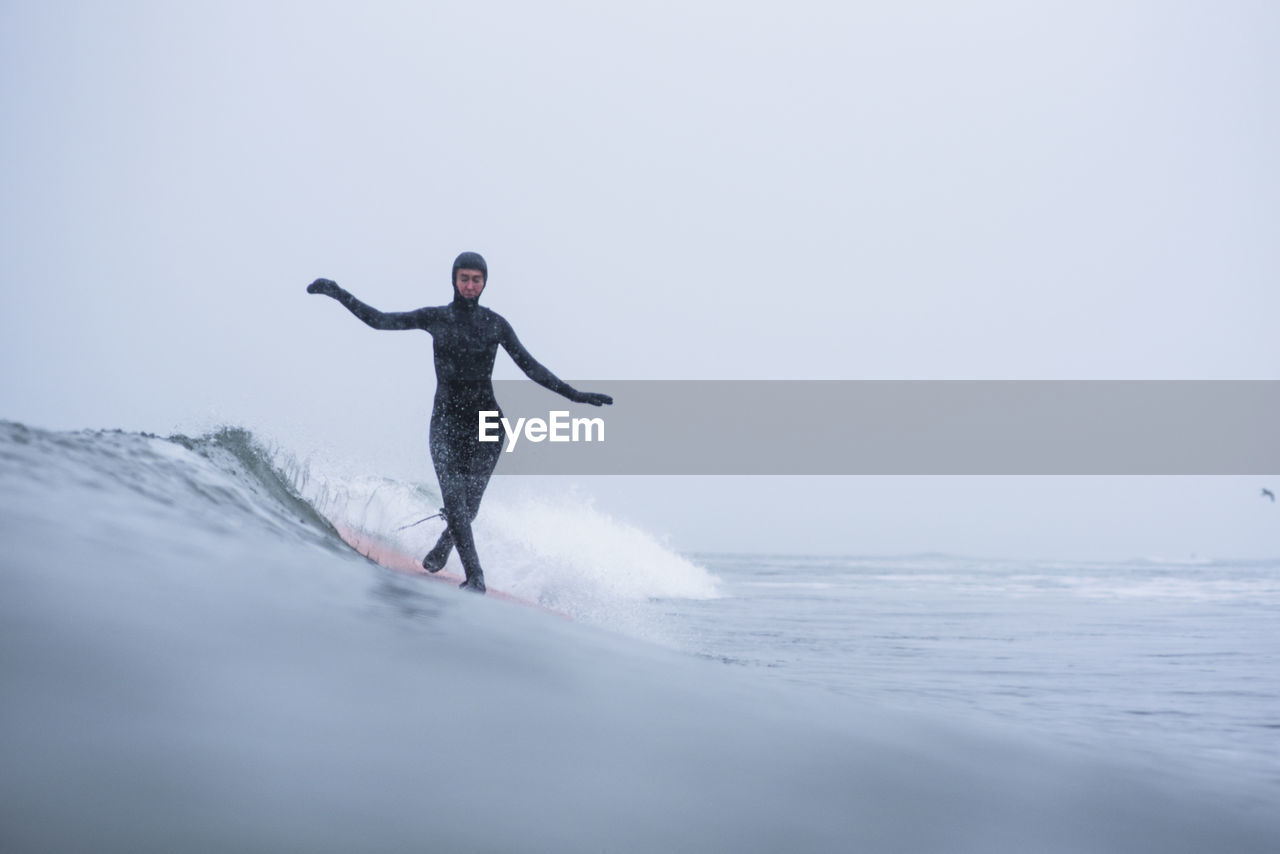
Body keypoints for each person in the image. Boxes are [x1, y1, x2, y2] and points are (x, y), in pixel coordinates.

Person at [307, 251, 611, 592]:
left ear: (485, 283)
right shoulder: (436, 318)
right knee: (454, 499)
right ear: (454, 279)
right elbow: (379, 320)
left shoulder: (495, 324)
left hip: (487, 423)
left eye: (476, 279)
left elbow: (530, 366)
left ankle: (446, 542)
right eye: (464, 278)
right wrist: (337, 292)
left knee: (469, 506)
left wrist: (574, 395)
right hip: (446, 423)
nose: (470, 285)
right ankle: (476, 575)